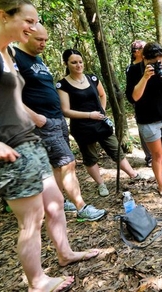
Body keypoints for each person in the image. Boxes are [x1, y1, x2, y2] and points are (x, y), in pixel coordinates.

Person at [0, 0, 98, 292]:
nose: (32, 27)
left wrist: (34, 117)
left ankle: (65, 253)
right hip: (5, 147)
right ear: (4, 16)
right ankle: (37, 281)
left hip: (29, 139)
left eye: (36, 21)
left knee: (55, 204)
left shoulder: (10, 52)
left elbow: (10, 98)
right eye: (28, 20)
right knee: (32, 218)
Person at [15, 23, 106, 221]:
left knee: (58, 165)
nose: (43, 44)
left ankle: (59, 201)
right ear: (25, 35)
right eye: (39, 39)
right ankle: (81, 208)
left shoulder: (36, 59)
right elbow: (8, 95)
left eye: (45, 40)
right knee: (68, 163)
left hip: (56, 120)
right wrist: (36, 118)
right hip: (43, 122)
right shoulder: (15, 57)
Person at [57, 49, 142, 197]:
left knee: (115, 149)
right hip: (82, 127)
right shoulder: (62, 85)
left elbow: (102, 95)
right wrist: (90, 115)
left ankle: (133, 174)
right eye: (74, 62)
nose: (78, 65)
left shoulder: (92, 78)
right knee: (90, 157)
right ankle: (101, 184)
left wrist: (101, 111)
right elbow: (66, 110)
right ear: (66, 64)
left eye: (80, 62)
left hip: (101, 123)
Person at [125, 42, 162, 197]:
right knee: (157, 155)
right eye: (153, 61)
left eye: (159, 60)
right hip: (148, 121)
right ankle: (160, 185)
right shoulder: (134, 71)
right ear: (145, 58)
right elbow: (133, 97)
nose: (156, 64)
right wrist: (145, 77)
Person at [128, 40, 152, 167]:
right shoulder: (131, 69)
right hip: (140, 105)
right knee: (143, 130)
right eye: (143, 48)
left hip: (154, 102)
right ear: (137, 52)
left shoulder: (149, 63)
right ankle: (149, 156)